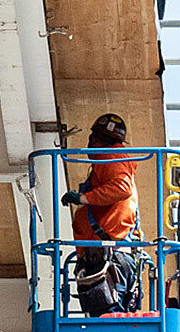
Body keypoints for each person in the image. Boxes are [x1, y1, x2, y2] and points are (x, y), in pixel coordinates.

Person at [61, 112, 142, 314]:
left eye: (92, 138)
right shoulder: (113, 160)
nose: (89, 144)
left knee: (109, 324)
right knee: (113, 324)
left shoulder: (110, 155)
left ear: (99, 140)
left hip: (108, 257)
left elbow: (122, 188)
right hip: (110, 257)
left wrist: (83, 199)